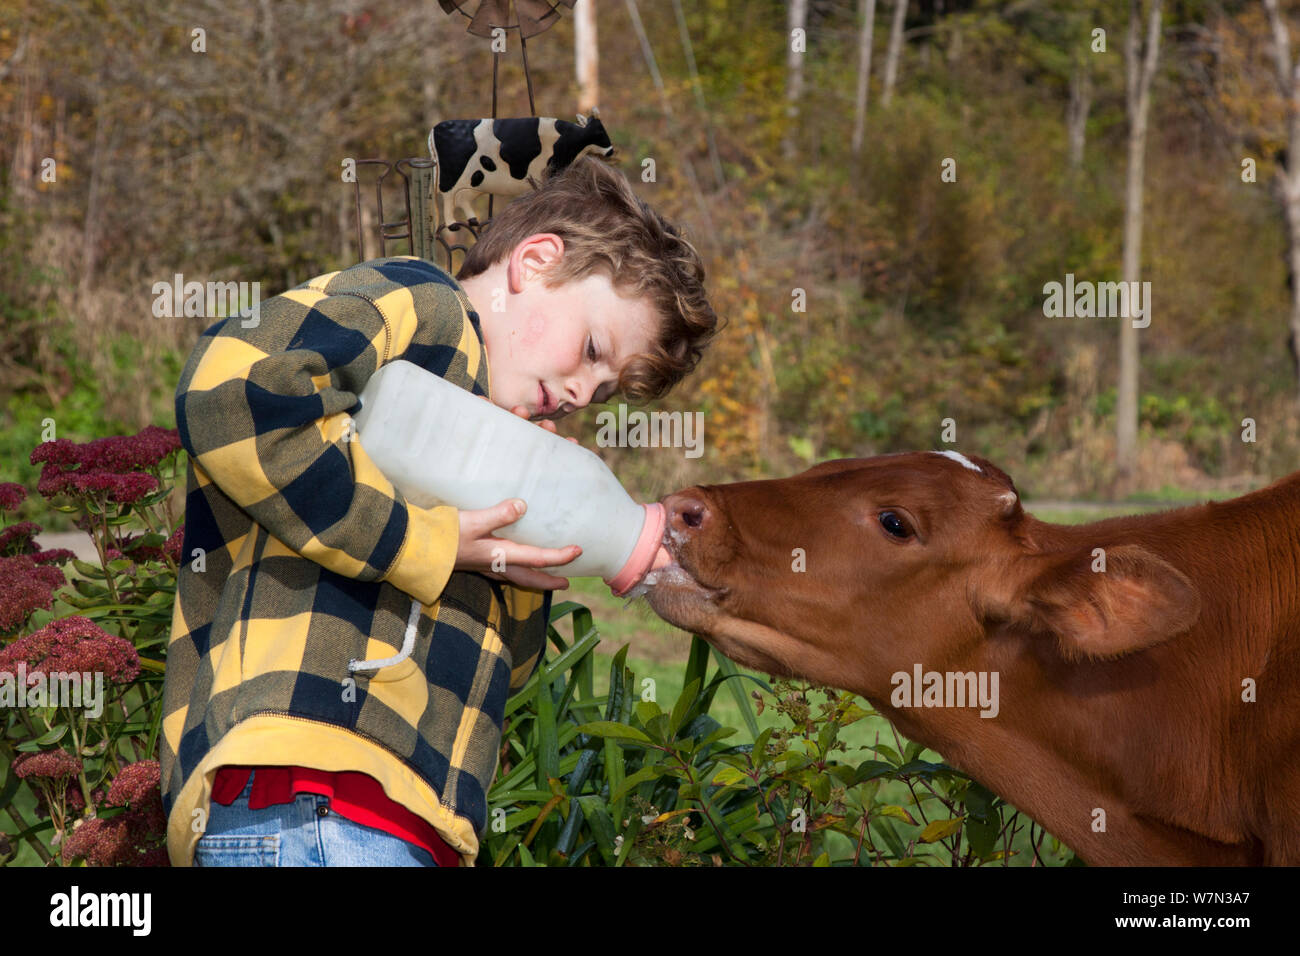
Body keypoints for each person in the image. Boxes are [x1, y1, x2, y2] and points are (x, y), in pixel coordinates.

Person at [159, 156, 720, 866]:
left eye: (604, 391)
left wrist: (516, 556)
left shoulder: (492, 447)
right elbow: (234, 388)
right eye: (590, 351)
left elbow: (497, 671)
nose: (583, 392)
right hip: (309, 781)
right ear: (537, 261)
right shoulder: (424, 309)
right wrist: (423, 539)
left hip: (413, 816)